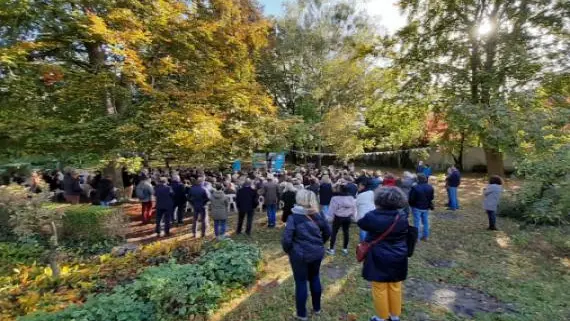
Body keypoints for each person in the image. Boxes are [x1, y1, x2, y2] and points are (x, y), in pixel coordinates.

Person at [358, 186, 410, 321]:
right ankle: (394, 316)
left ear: (378, 200)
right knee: (395, 285)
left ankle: (381, 317)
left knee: (379, 286)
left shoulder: (372, 216)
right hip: (398, 255)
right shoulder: (402, 217)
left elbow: (361, 223)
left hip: (378, 256)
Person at [282, 190, 331, 321]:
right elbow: (328, 231)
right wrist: (320, 243)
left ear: (298, 200)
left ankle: (302, 314)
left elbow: (287, 239)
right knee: (315, 277)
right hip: (315, 253)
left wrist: (289, 250)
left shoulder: (293, 217)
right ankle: (317, 308)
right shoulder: (319, 214)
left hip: (300, 255)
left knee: (301, 282)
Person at [327, 184, 357, 256]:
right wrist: (354, 217)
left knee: (334, 232)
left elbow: (332, 209)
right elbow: (354, 208)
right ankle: (345, 249)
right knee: (346, 232)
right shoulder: (351, 198)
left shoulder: (335, 198)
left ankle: (331, 249)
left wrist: (329, 218)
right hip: (347, 218)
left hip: (338, 217)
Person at [409, 174, 434, 241]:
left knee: (417, 222)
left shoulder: (415, 187)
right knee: (425, 222)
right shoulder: (430, 187)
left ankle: (417, 237)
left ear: (418, 179)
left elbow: (411, 199)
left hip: (417, 207)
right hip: (425, 207)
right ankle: (426, 236)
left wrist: (412, 205)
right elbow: (431, 198)